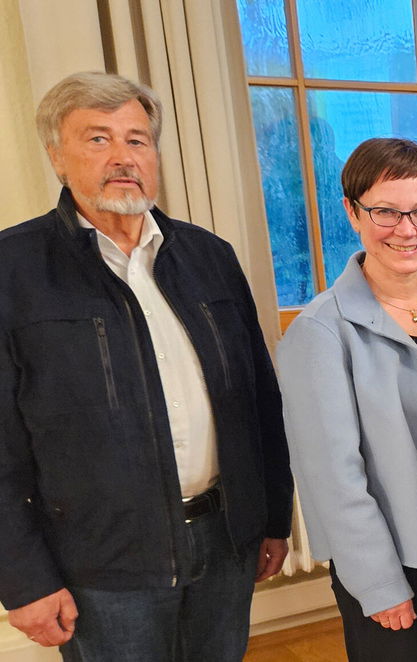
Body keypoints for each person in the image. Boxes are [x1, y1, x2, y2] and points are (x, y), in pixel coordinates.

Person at [0, 71, 292, 659]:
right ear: (57, 157)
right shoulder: (13, 270)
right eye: (98, 139)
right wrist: (23, 579)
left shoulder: (210, 256)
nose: (122, 157)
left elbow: (260, 400)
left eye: (137, 139)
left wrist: (273, 518)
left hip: (225, 540)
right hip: (104, 564)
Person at [276, 138, 417, 661]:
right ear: (352, 212)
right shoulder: (320, 331)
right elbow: (334, 478)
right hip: (395, 563)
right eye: (386, 212)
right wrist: (378, 583)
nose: (407, 229)